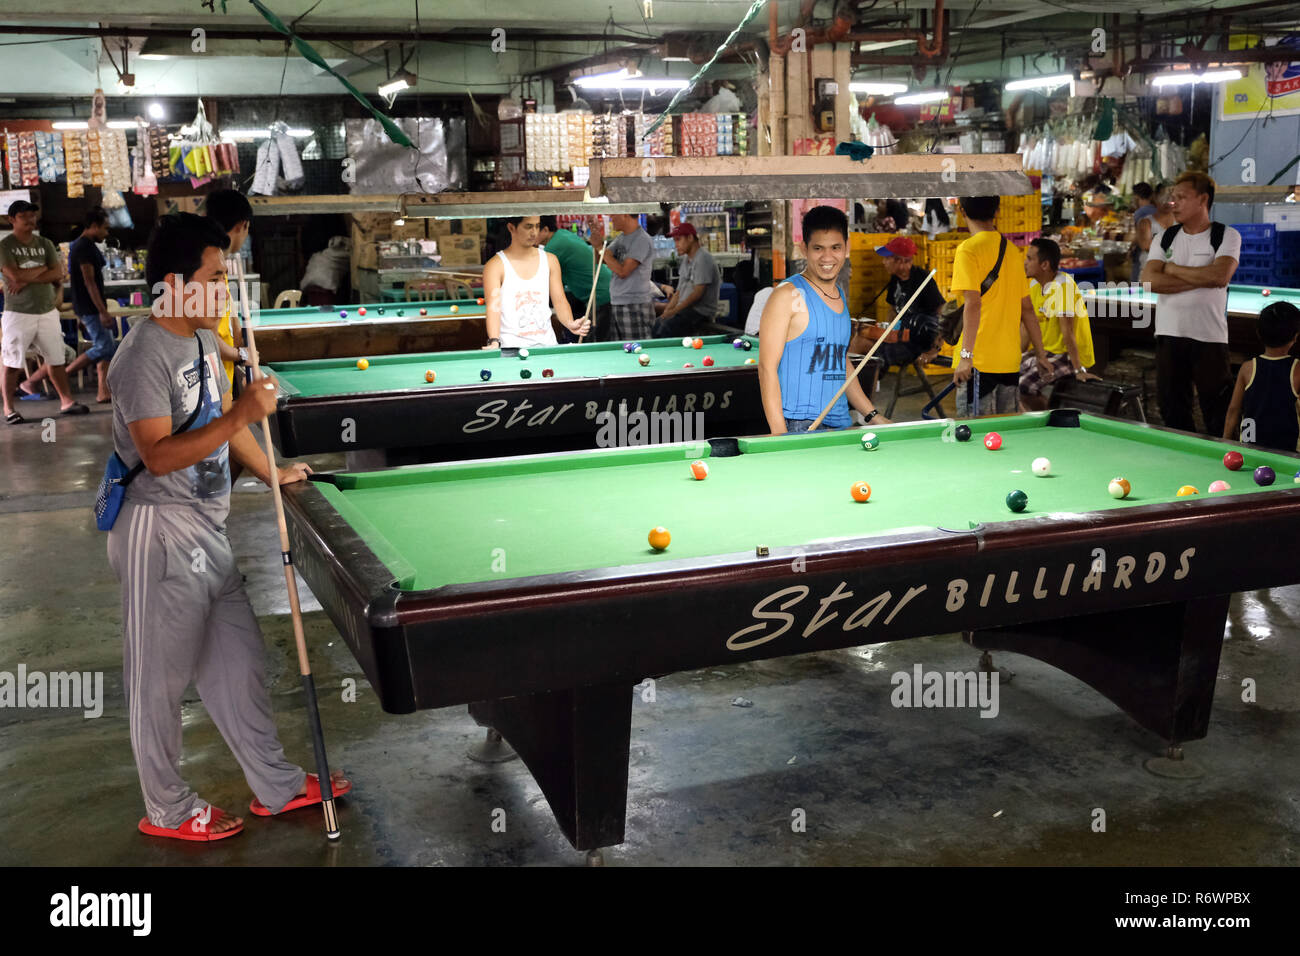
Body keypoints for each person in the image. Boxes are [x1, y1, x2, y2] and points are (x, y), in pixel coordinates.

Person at [105, 212, 348, 842]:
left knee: (239, 663)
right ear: (173, 283)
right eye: (215, 275)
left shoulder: (202, 341)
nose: (224, 288)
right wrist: (245, 404)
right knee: (157, 681)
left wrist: (274, 472)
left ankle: (277, 784)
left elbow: (226, 425)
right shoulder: (141, 357)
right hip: (158, 533)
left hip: (208, 529)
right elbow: (158, 454)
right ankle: (167, 808)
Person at [757, 205, 889, 434]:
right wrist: (779, 435)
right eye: (818, 248)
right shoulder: (786, 295)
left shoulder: (839, 294)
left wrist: (873, 415)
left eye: (835, 247)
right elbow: (767, 367)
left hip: (840, 423)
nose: (828, 257)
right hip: (798, 425)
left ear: (846, 248)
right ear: (803, 249)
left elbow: (840, 361)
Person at [1139, 171, 1241, 435]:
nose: (1174, 203)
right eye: (1173, 198)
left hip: (1210, 337)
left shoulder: (1226, 236)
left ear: (1203, 200)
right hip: (1169, 335)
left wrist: (1171, 269)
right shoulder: (1166, 238)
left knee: (1216, 409)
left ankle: (1221, 461)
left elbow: (1220, 276)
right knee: (1172, 409)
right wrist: (1202, 277)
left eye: (1182, 198)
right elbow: (1149, 282)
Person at [950, 196, 1051, 417]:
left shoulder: (968, 250)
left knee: (974, 434)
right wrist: (1041, 355)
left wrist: (966, 357)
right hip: (1009, 361)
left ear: (961, 210)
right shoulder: (1013, 252)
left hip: (979, 362)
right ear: (997, 211)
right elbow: (1027, 309)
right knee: (1007, 430)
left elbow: (973, 304)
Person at [1, 199, 88, 423]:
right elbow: (14, 276)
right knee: (12, 362)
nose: (30, 220)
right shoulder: (5, 246)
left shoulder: (46, 244)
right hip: (18, 312)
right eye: (23, 216)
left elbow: (57, 273)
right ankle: (9, 409)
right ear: (12, 220)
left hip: (47, 310)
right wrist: (41, 271)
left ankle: (66, 401)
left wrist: (26, 277)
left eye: (32, 216)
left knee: (55, 358)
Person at [482, 216, 588, 349]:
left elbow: (560, 300)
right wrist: (494, 340)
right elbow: (493, 307)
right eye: (528, 226)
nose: (534, 232)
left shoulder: (550, 260)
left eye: (537, 226)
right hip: (511, 348)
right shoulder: (495, 265)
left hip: (547, 346)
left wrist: (569, 323)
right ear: (511, 228)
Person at [1020, 238, 1099, 411]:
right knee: (1007, 375)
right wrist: (1016, 355)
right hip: (1045, 352)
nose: (1025, 262)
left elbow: (1068, 331)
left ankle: (1052, 420)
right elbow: (1027, 326)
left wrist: (1079, 370)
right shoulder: (1033, 285)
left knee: (1024, 386)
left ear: (1045, 265)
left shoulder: (1063, 286)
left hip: (1067, 356)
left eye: (1029, 258)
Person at [1224, 302, 1300, 452]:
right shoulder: (1297, 369)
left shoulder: (1247, 368)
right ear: (1295, 336)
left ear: (1258, 333)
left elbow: (1234, 410)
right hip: (1288, 449)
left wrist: (1225, 441)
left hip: (1249, 445)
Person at [204, 189, 254, 387]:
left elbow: (228, 304)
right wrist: (242, 354)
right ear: (243, 225)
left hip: (223, 376)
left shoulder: (218, 261)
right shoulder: (210, 267)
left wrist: (238, 331)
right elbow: (209, 338)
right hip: (213, 381)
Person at [872, 236, 944, 369]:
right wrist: (886, 333)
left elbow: (942, 315)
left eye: (887, 258)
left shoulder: (923, 279)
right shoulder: (895, 279)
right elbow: (892, 309)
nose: (883, 262)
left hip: (916, 342)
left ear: (901, 262)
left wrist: (933, 350)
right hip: (901, 336)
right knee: (862, 343)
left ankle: (864, 386)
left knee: (876, 357)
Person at [536, 216, 611, 341]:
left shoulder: (553, 248)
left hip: (600, 294)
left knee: (595, 344)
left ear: (545, 230)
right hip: (604, 287)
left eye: (534, 229)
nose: (531, 234)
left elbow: (538, 281)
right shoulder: (563, 234)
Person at [652, 222, 721, 339]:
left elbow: (697, 293)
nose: (676, 244)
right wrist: (667, 311)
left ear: (690, 238)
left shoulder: (703, 258)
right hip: (685, 310)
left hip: (700, 312)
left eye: (678, 239)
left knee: (666, 328)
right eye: (674, 240)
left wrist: (673, 311)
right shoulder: (686, 259)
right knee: (657, 324)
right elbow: (679, 291)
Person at [601, 213, 656, 342]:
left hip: (634, 304)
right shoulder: (622, 237)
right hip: (619, 302)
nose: (611, 218)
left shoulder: (641, 239)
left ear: (625, 214)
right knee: (622, 350)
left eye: (614, 214)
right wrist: (599, 247)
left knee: (638, 349)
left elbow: (623, 271)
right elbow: (603, 258)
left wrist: (600, 249)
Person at [1134, 184, 1175, 281]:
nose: (1167, 202)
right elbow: (1147, 246)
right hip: (1150, 276)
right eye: (1163, 197)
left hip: (1173, 276)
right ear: (1155, 197)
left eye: (1170, 198)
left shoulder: (1182, 223)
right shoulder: (1145, 223)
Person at [1128, 183, 1156, 282]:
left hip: (1143, 254)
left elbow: (1139, 236)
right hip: (1157, 254)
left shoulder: (1140, 213)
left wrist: (1131, 246)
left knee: (1137, 284)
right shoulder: (1156, 210)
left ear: (1137, 196)